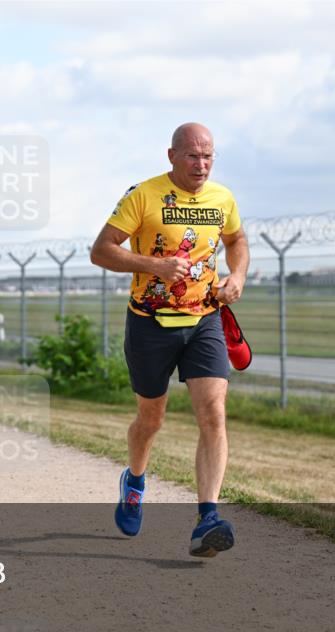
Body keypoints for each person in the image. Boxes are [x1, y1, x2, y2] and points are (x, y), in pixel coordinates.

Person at [90, 122, 249, 558]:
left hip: (205, 320)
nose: (201, 164)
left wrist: (237, 276)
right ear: (172, 156)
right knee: (151, 419)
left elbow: (236, 240)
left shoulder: (222, 198)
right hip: (150, 323)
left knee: (213, 413)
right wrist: (153, 265)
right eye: (193, 155)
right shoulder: (143, 195)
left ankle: (207, 519)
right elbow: (101, 250)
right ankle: (134, 481)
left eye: (208, 156)